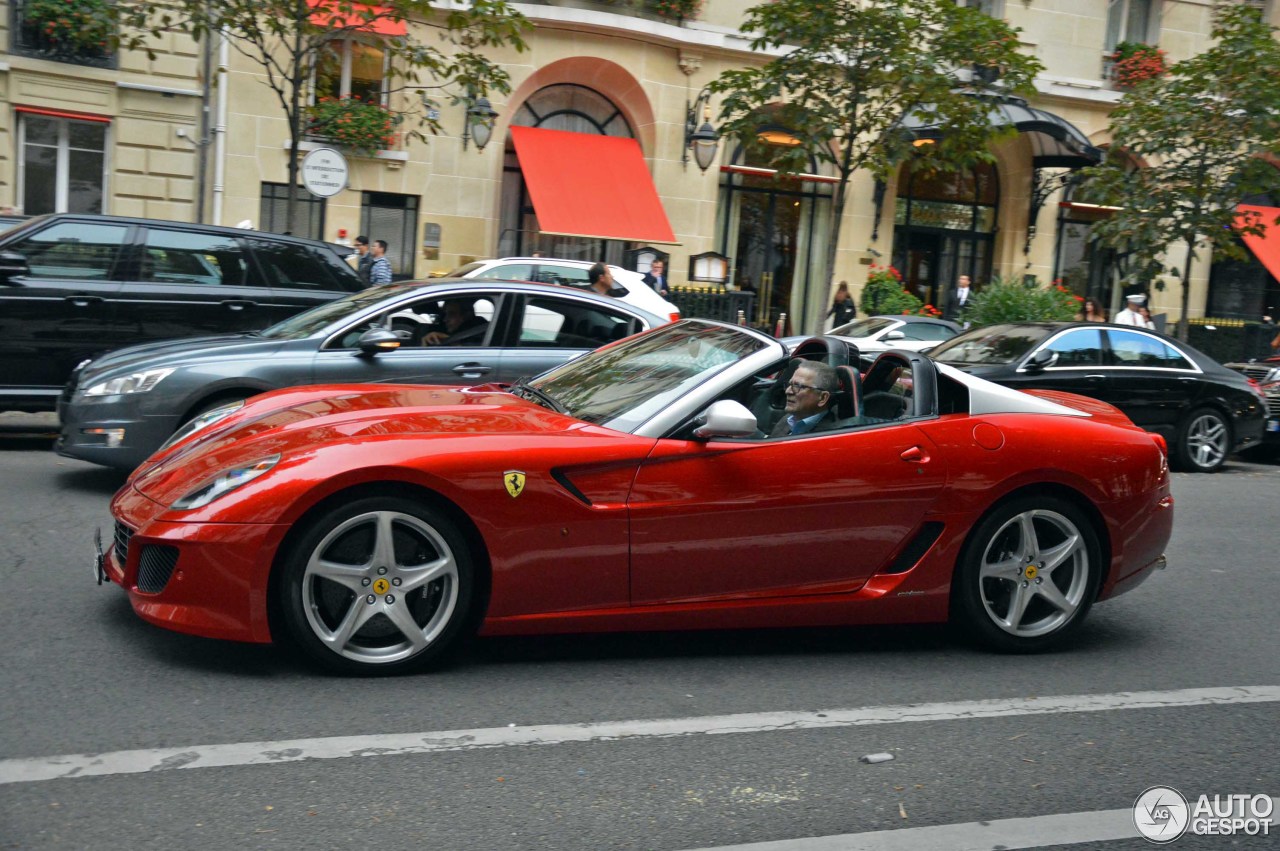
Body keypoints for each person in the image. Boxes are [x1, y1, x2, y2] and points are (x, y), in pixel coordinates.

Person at [770, 362, 841, 437]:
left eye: (798, 386)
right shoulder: (790, 418)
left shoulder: (830, 436)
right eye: (790, 384)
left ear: (823, 398)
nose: (788, 391)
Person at [423, 300, 488, 346]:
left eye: (451, 314)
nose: (445, 320)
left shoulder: (479, 335)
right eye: (445, 314)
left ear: (466, 316)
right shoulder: (451, 330)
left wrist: (450, 340)